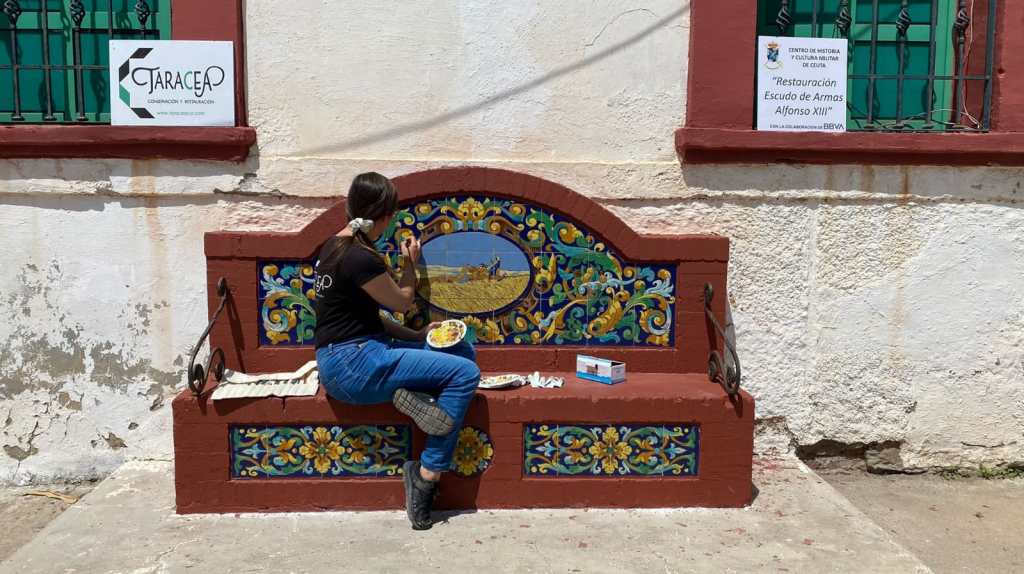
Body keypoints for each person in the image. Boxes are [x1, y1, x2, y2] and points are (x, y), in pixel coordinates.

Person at [313, 172, 481, 531]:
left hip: (345, 359)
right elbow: (402, 302)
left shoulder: (332, 247)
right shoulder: (360, 258)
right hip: (355, 365)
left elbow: (369, 317)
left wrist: (416, 336)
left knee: (461, 351)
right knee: (466, 373)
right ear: (385, 215)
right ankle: (427, 475)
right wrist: (410, 263)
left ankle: (423, 401)